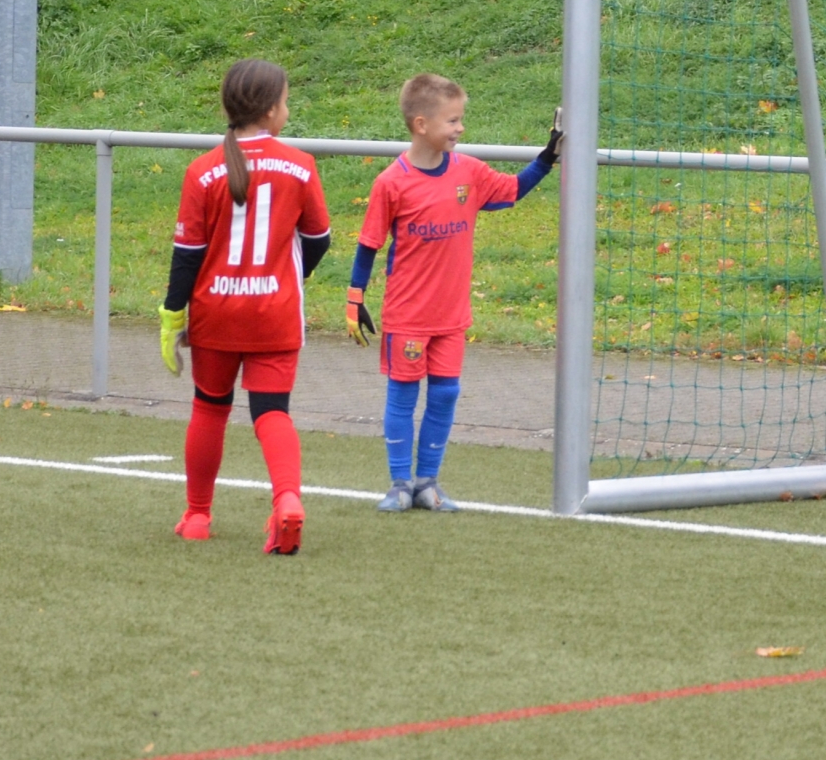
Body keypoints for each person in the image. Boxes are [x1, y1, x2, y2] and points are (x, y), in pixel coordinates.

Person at [345, 76, 559, 512]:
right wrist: (354, 297)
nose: (461, 128)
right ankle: (400, 483)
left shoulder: (470, 171)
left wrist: (548, 158)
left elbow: (513, 189)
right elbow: (369, 243)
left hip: (452, 315)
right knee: (403, 396)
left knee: (445, 394)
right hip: (407, 314)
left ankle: (428, 483)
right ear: (421, 124)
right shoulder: (392, 182)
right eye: (453, 120)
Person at [158, 60, 332, 553]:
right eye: (287, 100)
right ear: (272, 108)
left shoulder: (202, 169)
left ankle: (196, 516)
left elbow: (186, 255)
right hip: (274, 314)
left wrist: (174, 316)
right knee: (272, 412)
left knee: (209, 410)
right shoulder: (300, 165)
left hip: (215, 314)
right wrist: (284, 279)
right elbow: (318, 240)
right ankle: (287, 502)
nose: (288, 109)